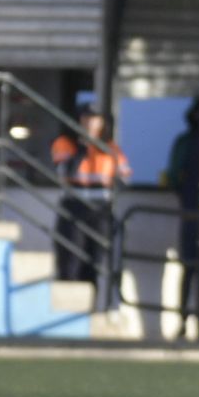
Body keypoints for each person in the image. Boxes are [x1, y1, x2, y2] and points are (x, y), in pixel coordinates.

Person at [50, 105, 130, 285]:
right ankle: (68, 304)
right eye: (86, 118)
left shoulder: (111, 149)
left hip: (100, 211)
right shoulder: (65, 143)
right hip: (73, 208)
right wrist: (82, 148)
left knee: (95, 261)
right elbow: (63, 171)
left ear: (102, 122)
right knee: (70, 260)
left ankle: (89, 307)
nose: (90, 123)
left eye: (95, 118)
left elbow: (124, 179)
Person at [163, 99, 199, 341]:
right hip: (190, 212)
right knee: (189, 267)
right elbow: (174, 174)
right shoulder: (185, 142)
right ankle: (184, 320)